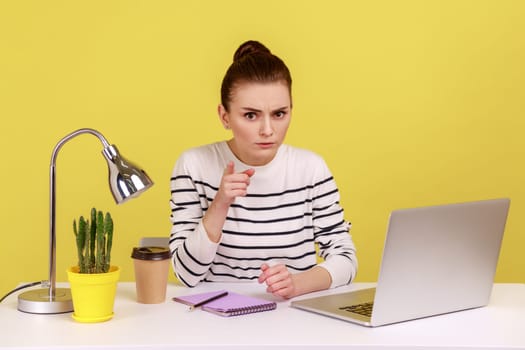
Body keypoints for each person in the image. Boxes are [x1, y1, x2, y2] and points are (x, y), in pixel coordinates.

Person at [169, 40, 357, 299]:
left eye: (279, 114)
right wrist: (221, 203)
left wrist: (297, 283)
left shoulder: (311, 169)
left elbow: (346, 258)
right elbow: (186, 273)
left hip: (293, 316)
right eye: (250, 115)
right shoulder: (194, 165)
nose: (267, 130)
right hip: (215, 319)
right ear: (225, 116)